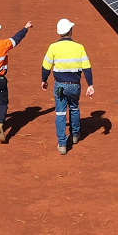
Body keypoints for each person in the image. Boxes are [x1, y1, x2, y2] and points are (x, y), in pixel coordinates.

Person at [41, 19, 94, 155]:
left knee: (60, 113)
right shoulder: (79, 47)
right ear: (70, 31)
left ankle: (63, 144)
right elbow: (87, 68)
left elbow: (46, 66)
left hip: (60, 86)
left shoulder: (53, 47)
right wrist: (90, 84)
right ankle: (75, 135)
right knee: (75, 108)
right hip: (75, 86)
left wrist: (44, 80)